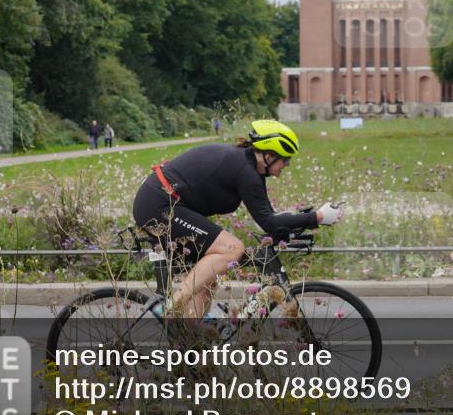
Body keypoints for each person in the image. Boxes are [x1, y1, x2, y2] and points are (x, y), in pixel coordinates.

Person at [132, 120, 344, 318]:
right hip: (159, 205)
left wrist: (298, 221)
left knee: (207, 282)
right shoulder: (246, 171)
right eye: (285, 159)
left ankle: (191, 347)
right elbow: (269, 223)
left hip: (167, 203)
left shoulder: (250, 168)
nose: (287, 165)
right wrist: (317, 217)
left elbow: (268, 217)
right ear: (269, 155)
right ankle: (172, 307)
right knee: (233, 249)